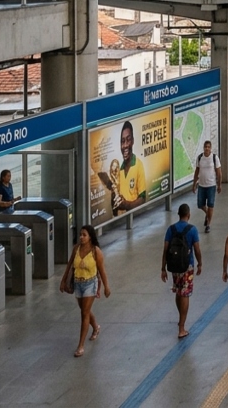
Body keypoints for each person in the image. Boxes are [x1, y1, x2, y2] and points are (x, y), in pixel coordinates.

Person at [61, 224, 109, 358]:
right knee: (84, 309)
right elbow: (70, 265)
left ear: (90, 237)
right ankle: (95, 327)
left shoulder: (96, 251)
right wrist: (63, 281)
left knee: (84, 313)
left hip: (90, 284)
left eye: (84, 235)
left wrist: (106, 286)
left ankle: (80, 345)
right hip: (78, 283)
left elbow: (102, 270)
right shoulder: (76, 248)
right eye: (80, 235)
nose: (81, 237)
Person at [161, 204, 202, 339]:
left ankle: (181, 319)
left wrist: (163, 268)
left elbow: (166, 250)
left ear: (178, 214)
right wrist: (200, 263)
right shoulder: (192, 230)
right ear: (188, 215)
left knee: (178, 292)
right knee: (185, 294)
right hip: (187, 267)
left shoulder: (171, 229)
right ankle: (182, 328)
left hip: (174, 266)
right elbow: (197, 249)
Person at [116, 121, 147, 214]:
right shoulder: (119, 170)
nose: (125, 145)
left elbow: (142, 198)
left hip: (136, 220)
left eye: (128, 140)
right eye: (122, 141)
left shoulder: (138, 165)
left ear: (133, 141)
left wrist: (127, 205)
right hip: (120, 223)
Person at [192, 140, 222, 234]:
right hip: (201, 185)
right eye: (205, 147)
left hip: (211, 185)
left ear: (211, 148)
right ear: (203, 148)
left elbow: (219, 172)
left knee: (210, 205)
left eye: (208, 147)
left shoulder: (214, 158)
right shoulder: (200, 158)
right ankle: (207, 214)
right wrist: (194, 184)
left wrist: (219, 184)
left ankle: (208, 224)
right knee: (200, 204)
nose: (207, 149)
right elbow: (197, 171)